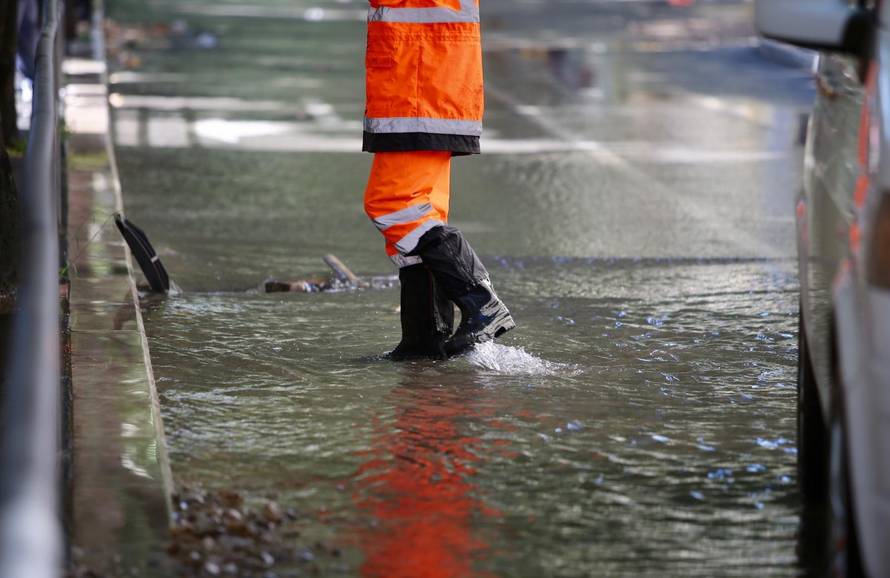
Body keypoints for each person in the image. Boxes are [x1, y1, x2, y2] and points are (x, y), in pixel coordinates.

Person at [362, 0, 515, 360]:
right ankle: (424, 339)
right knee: (417, 212)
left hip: (417, 83)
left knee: (394, 205)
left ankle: (482, 303)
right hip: (425, 81)